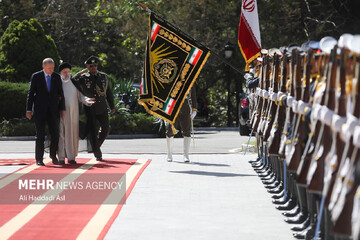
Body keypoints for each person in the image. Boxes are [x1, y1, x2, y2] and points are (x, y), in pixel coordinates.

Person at [72, 56, 115, 161]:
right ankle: (97, 153)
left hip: (102, 107)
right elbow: (72, 81)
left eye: (95, 65)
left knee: (106, 128)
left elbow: (108, 92)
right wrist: (79, 74)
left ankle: (95, 146)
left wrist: (112, 106)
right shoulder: (83, 78)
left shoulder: (103, 77)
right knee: (93, 131)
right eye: (91, 66)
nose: (93, 67)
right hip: (90, 107)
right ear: (87, 67)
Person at [26, 58, 65, 166]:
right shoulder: (36, 76)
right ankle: (39, 159)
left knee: (55, 134)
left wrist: (62, 108)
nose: (51, 70)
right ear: (43, 67)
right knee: (40, 135)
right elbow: (31, 94)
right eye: (49, 68)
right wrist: (28, 109)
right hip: (40, 110)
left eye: (53, 67)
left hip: (53, 110)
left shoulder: (57, 77)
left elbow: (61, 94)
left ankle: (53, 155)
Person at [57, 62, 94, 165]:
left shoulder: (74, 82)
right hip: (60, 113)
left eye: (68, 72)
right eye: (64, 72)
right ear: (60, 73)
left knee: (71, 134)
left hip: (73, 114)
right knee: (61, 135)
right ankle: (61, 157)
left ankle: (71, 157)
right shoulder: (57, 83)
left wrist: (87, 101)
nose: (67, 74)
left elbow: (81, 96)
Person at [166, 86, 198, 163]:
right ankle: (169, 154)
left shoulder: (189, 76)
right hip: (173, 104)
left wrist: (194, 109)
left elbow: (193, 94)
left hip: (185, 105)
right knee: (170, 130)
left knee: (187, 131)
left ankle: (186, 155)